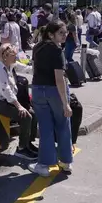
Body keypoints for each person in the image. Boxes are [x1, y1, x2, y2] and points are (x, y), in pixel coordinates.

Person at [28, 20, 73, 177]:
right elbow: (59, 79)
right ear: (51, 34)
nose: (64, 35)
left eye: (65, 32)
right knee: (63, 124)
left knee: (45, 127)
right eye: (61, 32)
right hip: (55, 92)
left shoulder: (37, 47)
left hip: (38, 89)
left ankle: (44, 164)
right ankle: (65, 161)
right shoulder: (56, 51)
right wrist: (66, 104)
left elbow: (34, 69)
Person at [0, 44, 38, 160]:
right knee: (26, 116)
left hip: (7, 100)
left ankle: (28, 143)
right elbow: (6, 90)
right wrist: (19, 106)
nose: (16, 58)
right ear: (5, 56)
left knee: (33, 114)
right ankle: (22, 149)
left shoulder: (9, 64)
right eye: (13, 56)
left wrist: (39, 69)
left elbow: (25, 68)